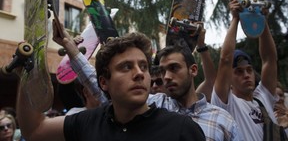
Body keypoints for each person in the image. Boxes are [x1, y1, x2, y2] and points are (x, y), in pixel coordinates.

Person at [16, 21, 206, 141]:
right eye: (126, 67)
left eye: (144, 66)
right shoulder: (87, 122)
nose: (139, 73)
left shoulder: (182, 130)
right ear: (104, 82)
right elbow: (34, 130)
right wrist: (29, 68)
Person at [67, 24, 242, 140]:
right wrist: (72, 51)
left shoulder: (223, 120)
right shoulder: (150, 104)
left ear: (193, 70)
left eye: (174, 68)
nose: (166, 77)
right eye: (162, 70)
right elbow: (104, 86)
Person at [211, 0, 287, 140]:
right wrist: (235, 19)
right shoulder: (226, 103)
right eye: (238, 72)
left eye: (249, 70)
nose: (246, 75)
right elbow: (225, 59)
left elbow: (270, 59)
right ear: (229, 79)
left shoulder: (263, 98)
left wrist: (262, 20)